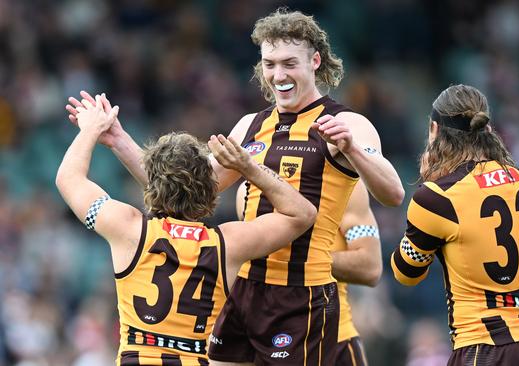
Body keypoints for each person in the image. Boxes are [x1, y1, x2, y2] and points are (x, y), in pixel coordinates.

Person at [67, 8, 404, 365]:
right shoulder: (249, 127)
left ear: (315, 61)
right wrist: (120, 141)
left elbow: (393, 194)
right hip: (241, 288)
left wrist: (353, 149)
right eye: (270, 64)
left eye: (289, 63)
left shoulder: (344, 122)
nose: (278, 75)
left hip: (299, 296)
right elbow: (182, 193)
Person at [56, 96, 317, 365]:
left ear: (151, 186)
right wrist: (248, 168)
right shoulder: (228, 243)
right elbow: (303, 213)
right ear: (210, 190)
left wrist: (91, 129)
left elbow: (69, 178)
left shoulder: (128, 228)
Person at [390, 84, 519, 365]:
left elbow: (406, 272)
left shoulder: (436, 198)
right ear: (487, 130)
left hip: (480, 349)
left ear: (434, 130)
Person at [234, 179, 382, 366]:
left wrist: (304, 258)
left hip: (332, 340)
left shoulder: (346, 185)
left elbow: (370, 267)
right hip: (267, 343)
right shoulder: (248, 190)